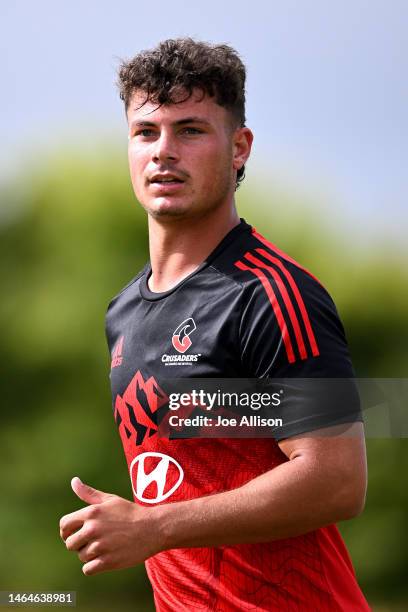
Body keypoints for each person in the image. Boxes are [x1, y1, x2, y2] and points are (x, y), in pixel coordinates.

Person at [60, 38, 370, 611]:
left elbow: (337, 480)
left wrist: (155, 528)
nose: (163, 151)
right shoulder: (123, 311)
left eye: (192, 130)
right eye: (146, 132)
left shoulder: (273, 294)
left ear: (239, 148)